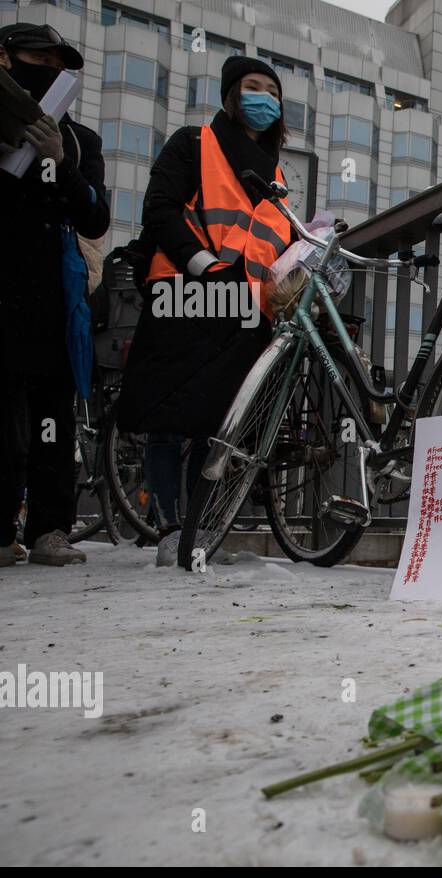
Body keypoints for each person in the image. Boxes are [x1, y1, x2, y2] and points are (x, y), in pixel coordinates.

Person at [114, 56, 294, 565]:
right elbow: (161, 209)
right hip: (185, 292)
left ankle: (195, 527)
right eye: (252, 87)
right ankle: (171, 526)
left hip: (243, 309)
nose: (263, 98)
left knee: (214, 423)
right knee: (169, 417)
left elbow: (273, 245)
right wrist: (204, 265)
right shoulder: (195, 143)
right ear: (231, 95)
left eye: (272, 92)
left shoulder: (277, 174)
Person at [0, 23, 109, 568]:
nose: (45, 67)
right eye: (34, 57)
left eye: (55, 61)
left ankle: (49, 528)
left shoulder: (79, 140)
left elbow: (96, 215)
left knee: (52, 416)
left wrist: (59, 164)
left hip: (53, 293)